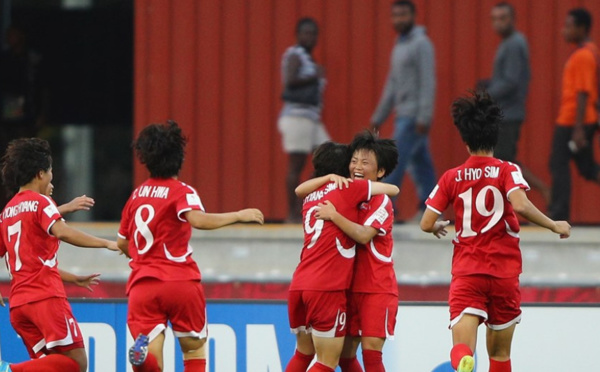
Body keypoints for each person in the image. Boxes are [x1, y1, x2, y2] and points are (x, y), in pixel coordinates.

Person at [420, 91, 571, 372]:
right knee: (500, 355)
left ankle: (464, 360)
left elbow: (426, 222)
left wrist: (437, 226)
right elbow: (522, 205)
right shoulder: (507, 170)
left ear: (465, 142)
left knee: (462, 348)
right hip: (504, 273)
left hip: (468, 272)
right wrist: (553, 224)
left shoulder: (451, 177)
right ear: (494, 137)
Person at [116, 121, 264, 372]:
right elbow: (198, 220)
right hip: (180, 281)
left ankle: (143, 359)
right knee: (194, 351)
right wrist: (239, 215)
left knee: (153, 357)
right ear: (179, 159)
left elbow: (122, 242)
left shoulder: (137, 195)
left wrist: (144, 257)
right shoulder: (181, 191)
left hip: (143, 285)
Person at [0, 138, 118, 372]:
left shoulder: (7, 212)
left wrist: (73, 278)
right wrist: (106, 243)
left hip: (19, 306)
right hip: (45, 299)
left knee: (50, 368)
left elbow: (28, 262)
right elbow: (63, 232)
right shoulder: (42, 202)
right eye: (51, 170)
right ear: (40, 173)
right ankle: (9, 370)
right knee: (77, 363)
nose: (52, 175)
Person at [286, 141, 399, 372]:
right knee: (334, 359)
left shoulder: (315, 195)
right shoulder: (348, 191)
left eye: (364, 162)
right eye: (354, 161)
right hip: (334, 287)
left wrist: (334, 215)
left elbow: (365, 235)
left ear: (380, 171)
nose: (357, 166)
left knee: (363, 355)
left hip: (372, 288)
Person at [478, 2, 550, 203]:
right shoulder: (507, 43)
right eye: (494, 19)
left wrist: (487, 95)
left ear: (513, 19)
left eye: (503, 18)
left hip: (509, 113)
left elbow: (511, 81)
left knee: (504, 162)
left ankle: (542, 192)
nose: (498, 23)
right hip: (505, 111)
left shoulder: (514, 43)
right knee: (504, 161)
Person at [370, 0, 436, 221]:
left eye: (403, 15)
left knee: (393, 161)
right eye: (395, 15)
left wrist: (424, 116)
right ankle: (431, 208)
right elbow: (392, 84)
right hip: (403, 113)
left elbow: (428, 81)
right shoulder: (399, 45)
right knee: (421, 164)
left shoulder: (422, 44)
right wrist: (379, 116)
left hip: (414, 116)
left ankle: (384, 208)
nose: (399, 19)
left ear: (413, 15)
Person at [549, 7, 600, 220]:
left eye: (569, 26)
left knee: (557, 162)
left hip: (573, 121)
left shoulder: (583, 55)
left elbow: (583, 92)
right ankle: (559, 211)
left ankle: (559, 213)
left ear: (582, 28)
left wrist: (578, 128)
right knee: (587, 168)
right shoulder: (589, 51)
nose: (564, 30)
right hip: (581, 119)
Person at [278, 17, 329, 223]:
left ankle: (307, 203)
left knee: (329, 160)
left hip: (312, 119)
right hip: (297, 117)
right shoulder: (295, 55)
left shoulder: (310, 59)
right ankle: (293, 214)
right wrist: (314, 77)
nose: (310, 37)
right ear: (298, 35)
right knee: (296, 167)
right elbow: (289, 81)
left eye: (313, 33)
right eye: (306, 33)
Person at [0, 23, 48, 210]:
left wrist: (42, 114)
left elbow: (44, 89)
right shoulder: (4, 60)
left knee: (28, 158)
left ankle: (31, 202)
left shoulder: (33, 60)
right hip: (6, 119)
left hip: (27, 118)